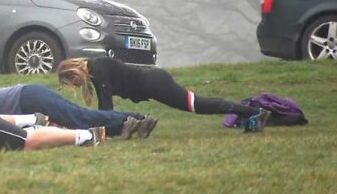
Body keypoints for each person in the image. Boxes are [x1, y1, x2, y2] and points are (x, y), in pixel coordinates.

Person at [57, 57, 271, 132]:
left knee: (199, 105)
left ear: (74, 72)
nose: (75, 86)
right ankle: (250, 114)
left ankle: (253, 112)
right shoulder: (96, 70)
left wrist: (99, 131)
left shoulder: (98, 69)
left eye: (72, 82)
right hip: (153, 82)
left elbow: (106, 109)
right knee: (198, 105)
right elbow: (105, 109)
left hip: (155, 83)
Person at [0, 84, 157, 139]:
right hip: (28, 99)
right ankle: (131, 125)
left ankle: (136, 119)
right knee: (77, 123)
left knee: (80, 118)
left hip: (28, 97)